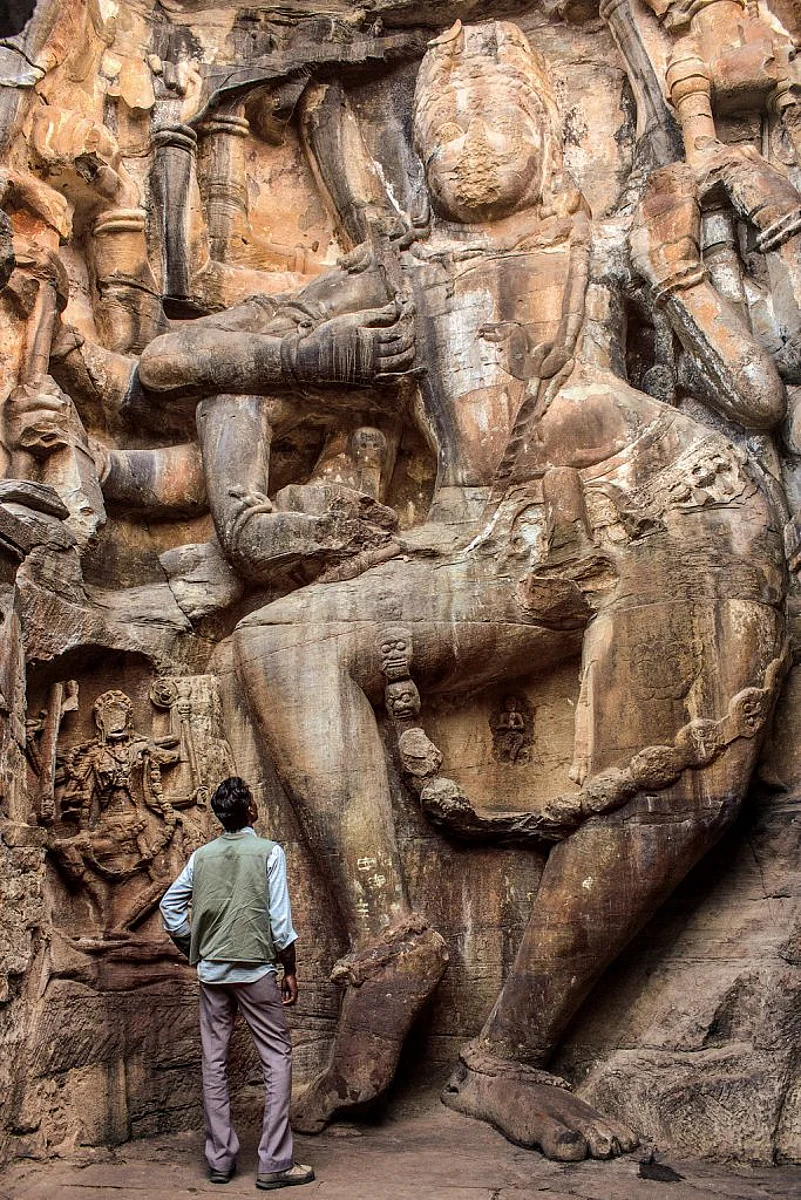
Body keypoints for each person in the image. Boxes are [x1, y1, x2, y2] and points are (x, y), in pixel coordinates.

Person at [160, 776, 314, 1190]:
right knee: (277, 1057)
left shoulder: (201, 856)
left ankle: (221, 1160)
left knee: (214, 1061)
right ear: (249, 810)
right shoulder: (269, 852)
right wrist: (291, 968)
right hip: (254, 971)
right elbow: (280, 923)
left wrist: (196, 946)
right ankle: (274, 1163)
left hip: (212, 973)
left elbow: (170, 907)